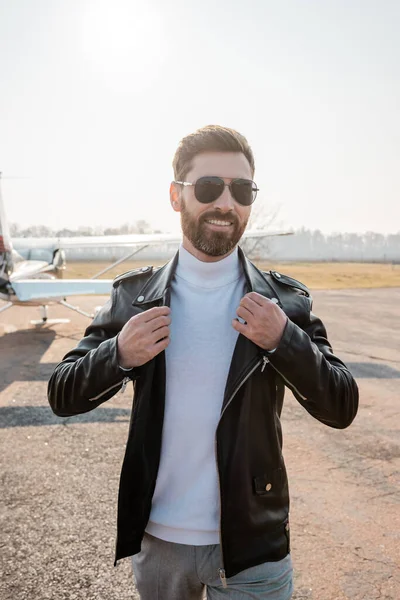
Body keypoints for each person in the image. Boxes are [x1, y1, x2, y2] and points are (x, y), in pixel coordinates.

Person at [48, 125, 359, 599]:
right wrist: (119, 354)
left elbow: (342, 405)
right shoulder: (133, 298)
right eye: (210, 187)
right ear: (177, 197)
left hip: (255, 545)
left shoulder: (285, 304)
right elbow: (62, 394)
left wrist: (284, 341)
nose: (226, 203)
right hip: (160, 541)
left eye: (242, 189)